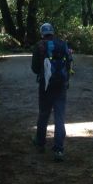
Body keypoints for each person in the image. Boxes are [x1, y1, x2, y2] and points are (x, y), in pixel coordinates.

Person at [31, 23, 73, 162]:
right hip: (61, 85)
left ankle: (40, 143)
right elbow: (69, 64)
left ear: (42, 33)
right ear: (53, 32)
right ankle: (59, 149)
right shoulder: (62, 44)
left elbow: (35, 69)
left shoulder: (39, 46)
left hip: (45, 85)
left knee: (44, 114)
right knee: (59, 117)